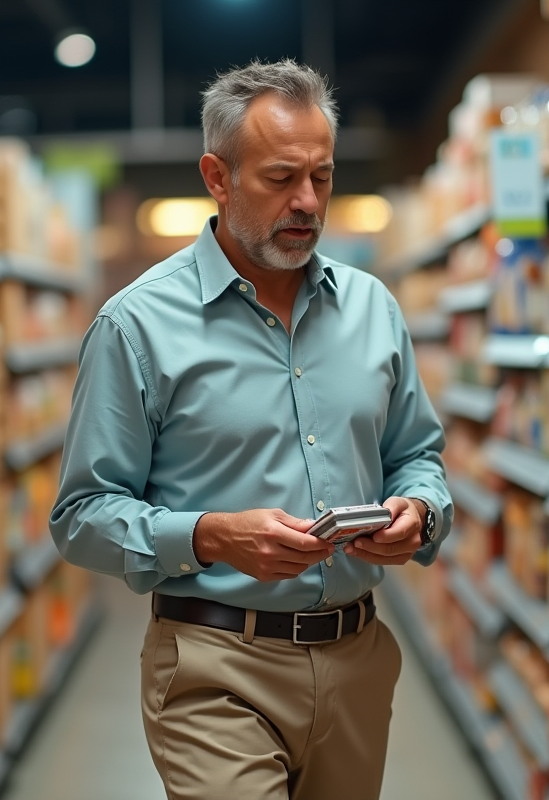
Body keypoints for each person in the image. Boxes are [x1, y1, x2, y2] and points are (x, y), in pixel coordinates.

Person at [50, 58, 451, 800]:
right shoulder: (136, 325)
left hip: (358, 658)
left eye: (322, 178)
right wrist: (210, 535)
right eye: (279, 179)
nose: (307, 202)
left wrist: (419, 513)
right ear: (218, 176)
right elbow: (80, 518)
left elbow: (417, 454)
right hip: (212, 665)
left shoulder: (374, 309)